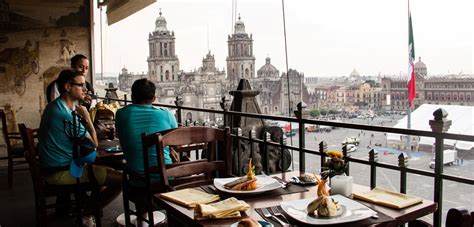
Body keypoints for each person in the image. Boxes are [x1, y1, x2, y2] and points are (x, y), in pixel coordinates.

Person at [38, 69, 122, 209]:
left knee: (107, 169)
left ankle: (86, 205)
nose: (86, 90)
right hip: (60, 172)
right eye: (81, 86)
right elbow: (94, 144)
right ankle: (89, 211)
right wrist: (87, 117)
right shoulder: (65, 114)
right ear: (68, 87)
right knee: (120, 179)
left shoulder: (56, 106)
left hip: (53, 166)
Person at [115, 78, 178, 185]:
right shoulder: (167, 114)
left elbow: (120, 135)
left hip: (139, 180)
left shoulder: (121, 114)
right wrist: (170, 148)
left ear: (132, 97)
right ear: (153, 98)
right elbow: (176, 141)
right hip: (167, 177)